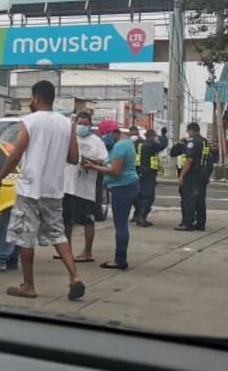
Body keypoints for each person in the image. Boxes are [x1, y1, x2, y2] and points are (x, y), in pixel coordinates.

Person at [0, 80, 85, 301]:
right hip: (54, 190)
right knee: (58, 235)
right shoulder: (65, 124)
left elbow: (15, 155)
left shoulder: (30, 121)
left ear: (36, 98)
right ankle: (75, 277)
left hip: (30, 188)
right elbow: (74, 158)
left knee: (25, 238)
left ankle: (28, 286)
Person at [87, 127, 140, 270]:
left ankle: (120, 259)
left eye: (107, 134)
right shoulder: (128, 143)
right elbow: (111, 163)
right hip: (130, 185)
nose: (106, 137)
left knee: (121, 225)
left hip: (123, 187)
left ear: (115, 132)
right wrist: (97, 162)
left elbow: (115, 171)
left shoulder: (119, 146)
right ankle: (120, 258)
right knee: (121, 224)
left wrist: (93, 168)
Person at [61, 110, 107, 264]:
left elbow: (103, 161)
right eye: (79, 123)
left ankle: (87, 251)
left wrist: (90, 163)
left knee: (87, 221)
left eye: (85, 124)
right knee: (66, 220)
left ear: (90, 125)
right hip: (67, 186)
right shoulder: (68, 138)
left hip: (85, 188)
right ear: (74, 124)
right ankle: (66, 250)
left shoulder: (96, 141)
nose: (82, 126)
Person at [172, 121, 212, 231]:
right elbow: (210, 159)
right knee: (200, 200)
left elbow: (189, 160)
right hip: (203, 174)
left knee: (189, 199)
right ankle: (200, 223)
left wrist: (182, 175)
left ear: (191, 130)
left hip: (193, 174)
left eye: (188, 131)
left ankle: (188, 223)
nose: (187, 133)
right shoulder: (205, 142)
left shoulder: (193, 142)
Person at [132, 126, 169, 227]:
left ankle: (138, 215)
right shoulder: (150, 145)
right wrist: (164, 135)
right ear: (152, 136)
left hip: (140, 172)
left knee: (141, 195)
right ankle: (141, 217)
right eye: (155, 137)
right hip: (147, 173)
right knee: (148, 197)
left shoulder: (140, 145)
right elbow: (162, 145)